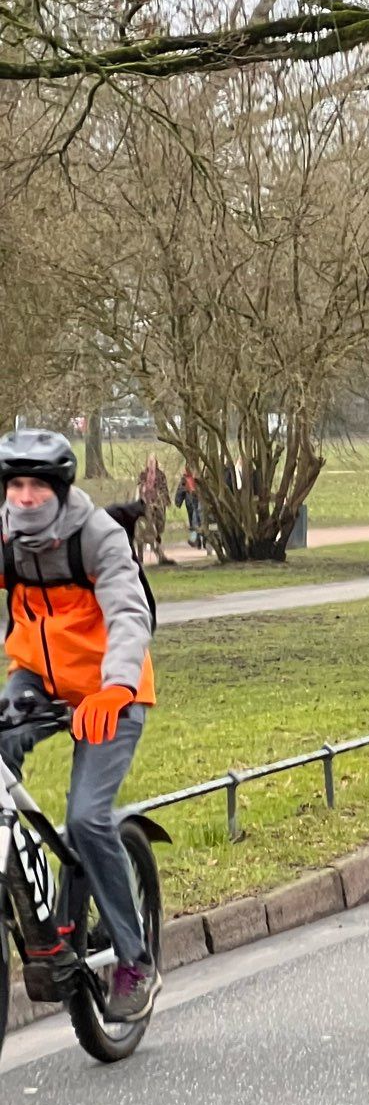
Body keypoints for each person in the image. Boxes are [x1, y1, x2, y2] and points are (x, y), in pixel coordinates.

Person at [0, 430, 158, 1020]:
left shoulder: (97, 536)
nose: (25, 496)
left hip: (110, 690)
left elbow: (127, 610)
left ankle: (135, 958)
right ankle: (24, 887)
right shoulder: (6, 537)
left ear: (60, 489)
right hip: (37, 682)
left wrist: (116, 686)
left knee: (87, 818)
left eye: (36, 485)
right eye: (15, 485)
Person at [173, 467, 203, 550]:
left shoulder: (198, 477)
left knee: (196, 521)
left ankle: (195, 539)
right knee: (194, 522)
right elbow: (180, 491)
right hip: (189, 505)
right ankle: (198, 541)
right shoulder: (184, 480)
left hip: (198, 503)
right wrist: (178, 502)